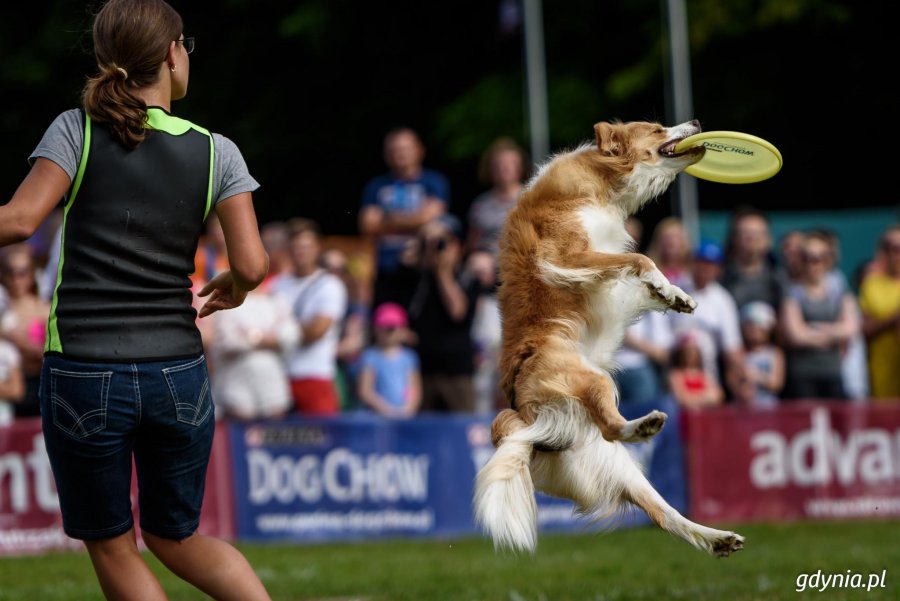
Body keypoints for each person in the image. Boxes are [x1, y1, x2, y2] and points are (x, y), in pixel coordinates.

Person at [0, 1, 272, 599]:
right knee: (177, 537)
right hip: (178, 373)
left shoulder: (76, 129)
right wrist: (237, 284)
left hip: (83, 369)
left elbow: (18, 221)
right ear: (173, 53)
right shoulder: (215, 149)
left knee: (112, 544)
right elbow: (253, 264)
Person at [358, 127, 450, 309]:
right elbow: (367, 224)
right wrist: (414, 220)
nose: (399, 154)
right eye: (394, 150)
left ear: (419, 151)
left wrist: (386, 220)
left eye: (404, 149)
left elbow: (430, 217)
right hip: (385, 269)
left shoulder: (434, 182)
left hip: (421, 268)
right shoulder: (376, 186)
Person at [404, 214, 481, 412]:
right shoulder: (418, 277)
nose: (439, 248)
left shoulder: (468, 277)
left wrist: (442, 272)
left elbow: (457, 311)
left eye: (445, 242)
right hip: (423, 370)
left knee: (460, 435)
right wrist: (422, 248)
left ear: (459, 247)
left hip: (456, 372)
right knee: (422, 437)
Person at [270, 218, 348, 415]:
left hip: (315, 376)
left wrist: (274, 335)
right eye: (296, 246)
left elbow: (316, 331)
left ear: (317, 248)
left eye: (306, 246)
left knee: (323, 442)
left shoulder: (330, 285)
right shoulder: (276, 285)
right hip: (278, 377)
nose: (301, 252)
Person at [780, 231, 859, 400]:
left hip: (833, 373)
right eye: (806, 258)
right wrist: (834, 333)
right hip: (802, 376)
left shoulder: (839, 289)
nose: (812, 264)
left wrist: (814, 328)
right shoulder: (791, 293)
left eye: (818, 258)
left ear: (828, 260)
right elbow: (796, 336)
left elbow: (851, 328)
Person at [669, 240, 745, 397]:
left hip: (707, 376)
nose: (705, 268)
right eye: (701, 262)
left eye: (711, 264)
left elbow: (731, 346)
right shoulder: (674, 289)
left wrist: (740, 377)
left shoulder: (722, 299)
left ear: (718, 269)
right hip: (674, 372)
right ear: (692, 263)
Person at [0, 244, 50, 417]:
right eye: (10, 272)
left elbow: (52, 352)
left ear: (31, 273)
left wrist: (18, 341)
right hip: (11, 390)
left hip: (43, 385)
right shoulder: (3, 309)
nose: (16, 279)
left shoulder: (45, 309)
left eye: (22, 272)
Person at [466, 137, 528, 258]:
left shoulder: (531, 199)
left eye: (510, 163)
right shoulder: (480, 204)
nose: (504, 168)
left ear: (520, 167)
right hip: (485, 260)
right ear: (490, 169)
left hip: (520, 260)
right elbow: (472, 242)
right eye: (499, 164)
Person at [356, 302, 422, 418]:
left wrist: (408, 409)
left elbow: (414, 389)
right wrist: (387, 410)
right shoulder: (370, 356)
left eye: (392, 328)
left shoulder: (409, 357)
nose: (388, 333)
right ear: (375, 329)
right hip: (376, 419)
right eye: (384, 327)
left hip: (404, 418)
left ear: (403, 329)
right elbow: (365, 391)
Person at [859, 224, 900, 400]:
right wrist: (894, 318)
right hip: (882, 370)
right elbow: (865, 329)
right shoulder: (871, 284)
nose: (898, 254)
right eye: (894, 248)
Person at [720, 206, 783, 311]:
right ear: (733, 238)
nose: (751, 239)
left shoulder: (780, 280)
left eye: (757, 234)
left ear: (768, 240)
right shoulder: (718, 279)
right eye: (745, 233)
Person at [737, 301, 784, 407]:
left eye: (759, 325)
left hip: (768, 408)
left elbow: (776, 383)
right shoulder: (740, 353)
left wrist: (756, 376)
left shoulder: (775, 353)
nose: (754, 330)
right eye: (749, 325)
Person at [667, 332, 725, 409]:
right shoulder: (676, 375)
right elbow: (681, 399)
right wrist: (704, 397)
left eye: (693, 351)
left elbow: (718, 395)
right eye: (687, 351)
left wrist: (696, 398)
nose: (690, 355)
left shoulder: (703, 375)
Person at [646, 216, 693, 284]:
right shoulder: (650, 269)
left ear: (684, 241)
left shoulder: (692, 270)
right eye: (666, 238)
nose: (671, 242)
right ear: (658, 242)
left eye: (675, 237)